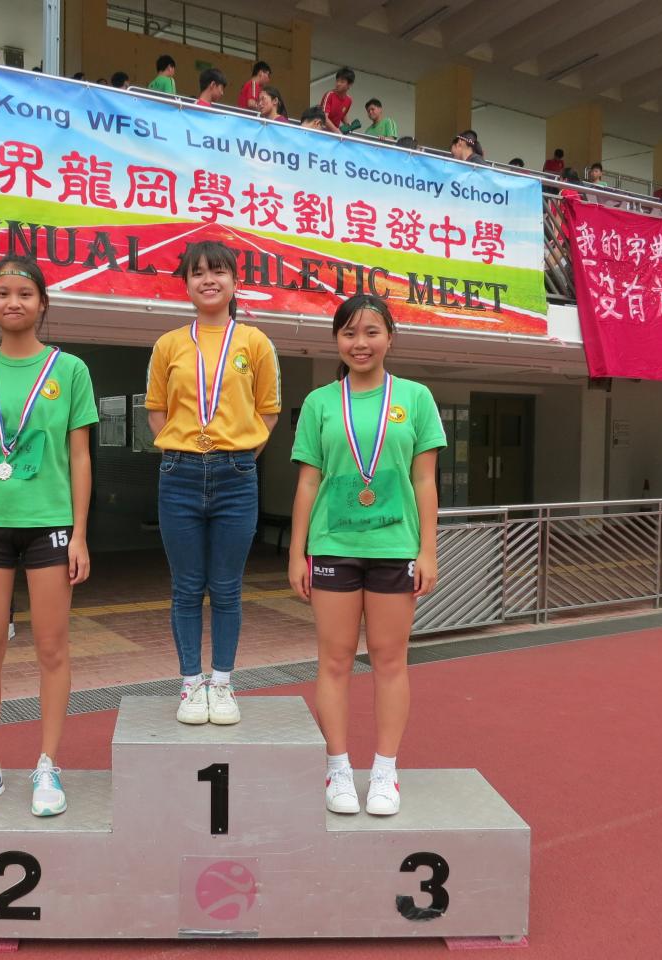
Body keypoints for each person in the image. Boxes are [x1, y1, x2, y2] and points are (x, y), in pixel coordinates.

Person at [0, 256, 98, 819]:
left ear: (42, 303)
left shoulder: (71, 370)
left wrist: (79, 533)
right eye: (2, 293)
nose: (13, 302)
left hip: (50, 525)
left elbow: (79, 457)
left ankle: (47, 764)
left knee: (52, 648)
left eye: (25, 293)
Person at [288, 294, 445, 817]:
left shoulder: (416, 398)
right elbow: (308, 482)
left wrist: (428, 549)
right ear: (337, 340)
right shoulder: (319, 403)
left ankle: (384, 771)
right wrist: (297, 553)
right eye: (350, 333)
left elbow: (425, 479)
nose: (361, 343)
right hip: (332, 545)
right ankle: (337, 767)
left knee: (389, 659)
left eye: (371, 332)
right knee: (333, 661)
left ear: (390, 338)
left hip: (395, 548)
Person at [145, 240, 282, 726]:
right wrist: (182, 447)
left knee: (226, 588)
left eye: (219, 271)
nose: (209, 279)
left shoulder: (255, 342)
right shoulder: (168, 344)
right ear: (186, 284)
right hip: (179, 474)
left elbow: (268, 412)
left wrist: (239, 456)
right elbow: (157, 409)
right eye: (198, 272)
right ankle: (190, 683)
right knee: (186, 587)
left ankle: (221, 682)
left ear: (235, 282)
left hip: (236, 475)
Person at [319, 67, 355, 134]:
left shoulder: (349, 100)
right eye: (337, 81)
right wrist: (336, 131)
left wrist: (347, 123)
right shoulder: (329, 95)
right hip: (321, 131)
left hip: (333, 134)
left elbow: (343, 115)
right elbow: (324, 117)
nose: (338, 84)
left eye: (342, 82)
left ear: (350, 85)